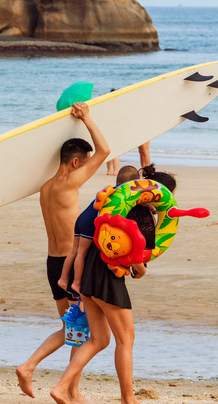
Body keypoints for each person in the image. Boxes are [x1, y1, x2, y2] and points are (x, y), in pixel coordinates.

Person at [16, 101, 110, 399]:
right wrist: (87, 118)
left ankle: (71, 390)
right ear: (75, 163)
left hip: (52, 263)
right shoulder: (69, 183)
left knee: (75, 328)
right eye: (84, 164)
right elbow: (105, 151)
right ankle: (30, 365)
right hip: (72, 266)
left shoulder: (45, 187)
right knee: (88, 330)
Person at [50, 204, 155, 404]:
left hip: (88, 276)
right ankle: (128, 399)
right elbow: (136, 258)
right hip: (108, 281)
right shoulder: (141, 213)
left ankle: (61, 387)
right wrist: (140, 271)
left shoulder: (108, 206)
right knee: (125, 339)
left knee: (98, 340)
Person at [58, 165, 140, 297]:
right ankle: (76, 283)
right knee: (81, 253)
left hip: (82, 219)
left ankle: (63, 279)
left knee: (74, 250)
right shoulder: (123, 196)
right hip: (90, 223)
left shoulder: (109, 189)